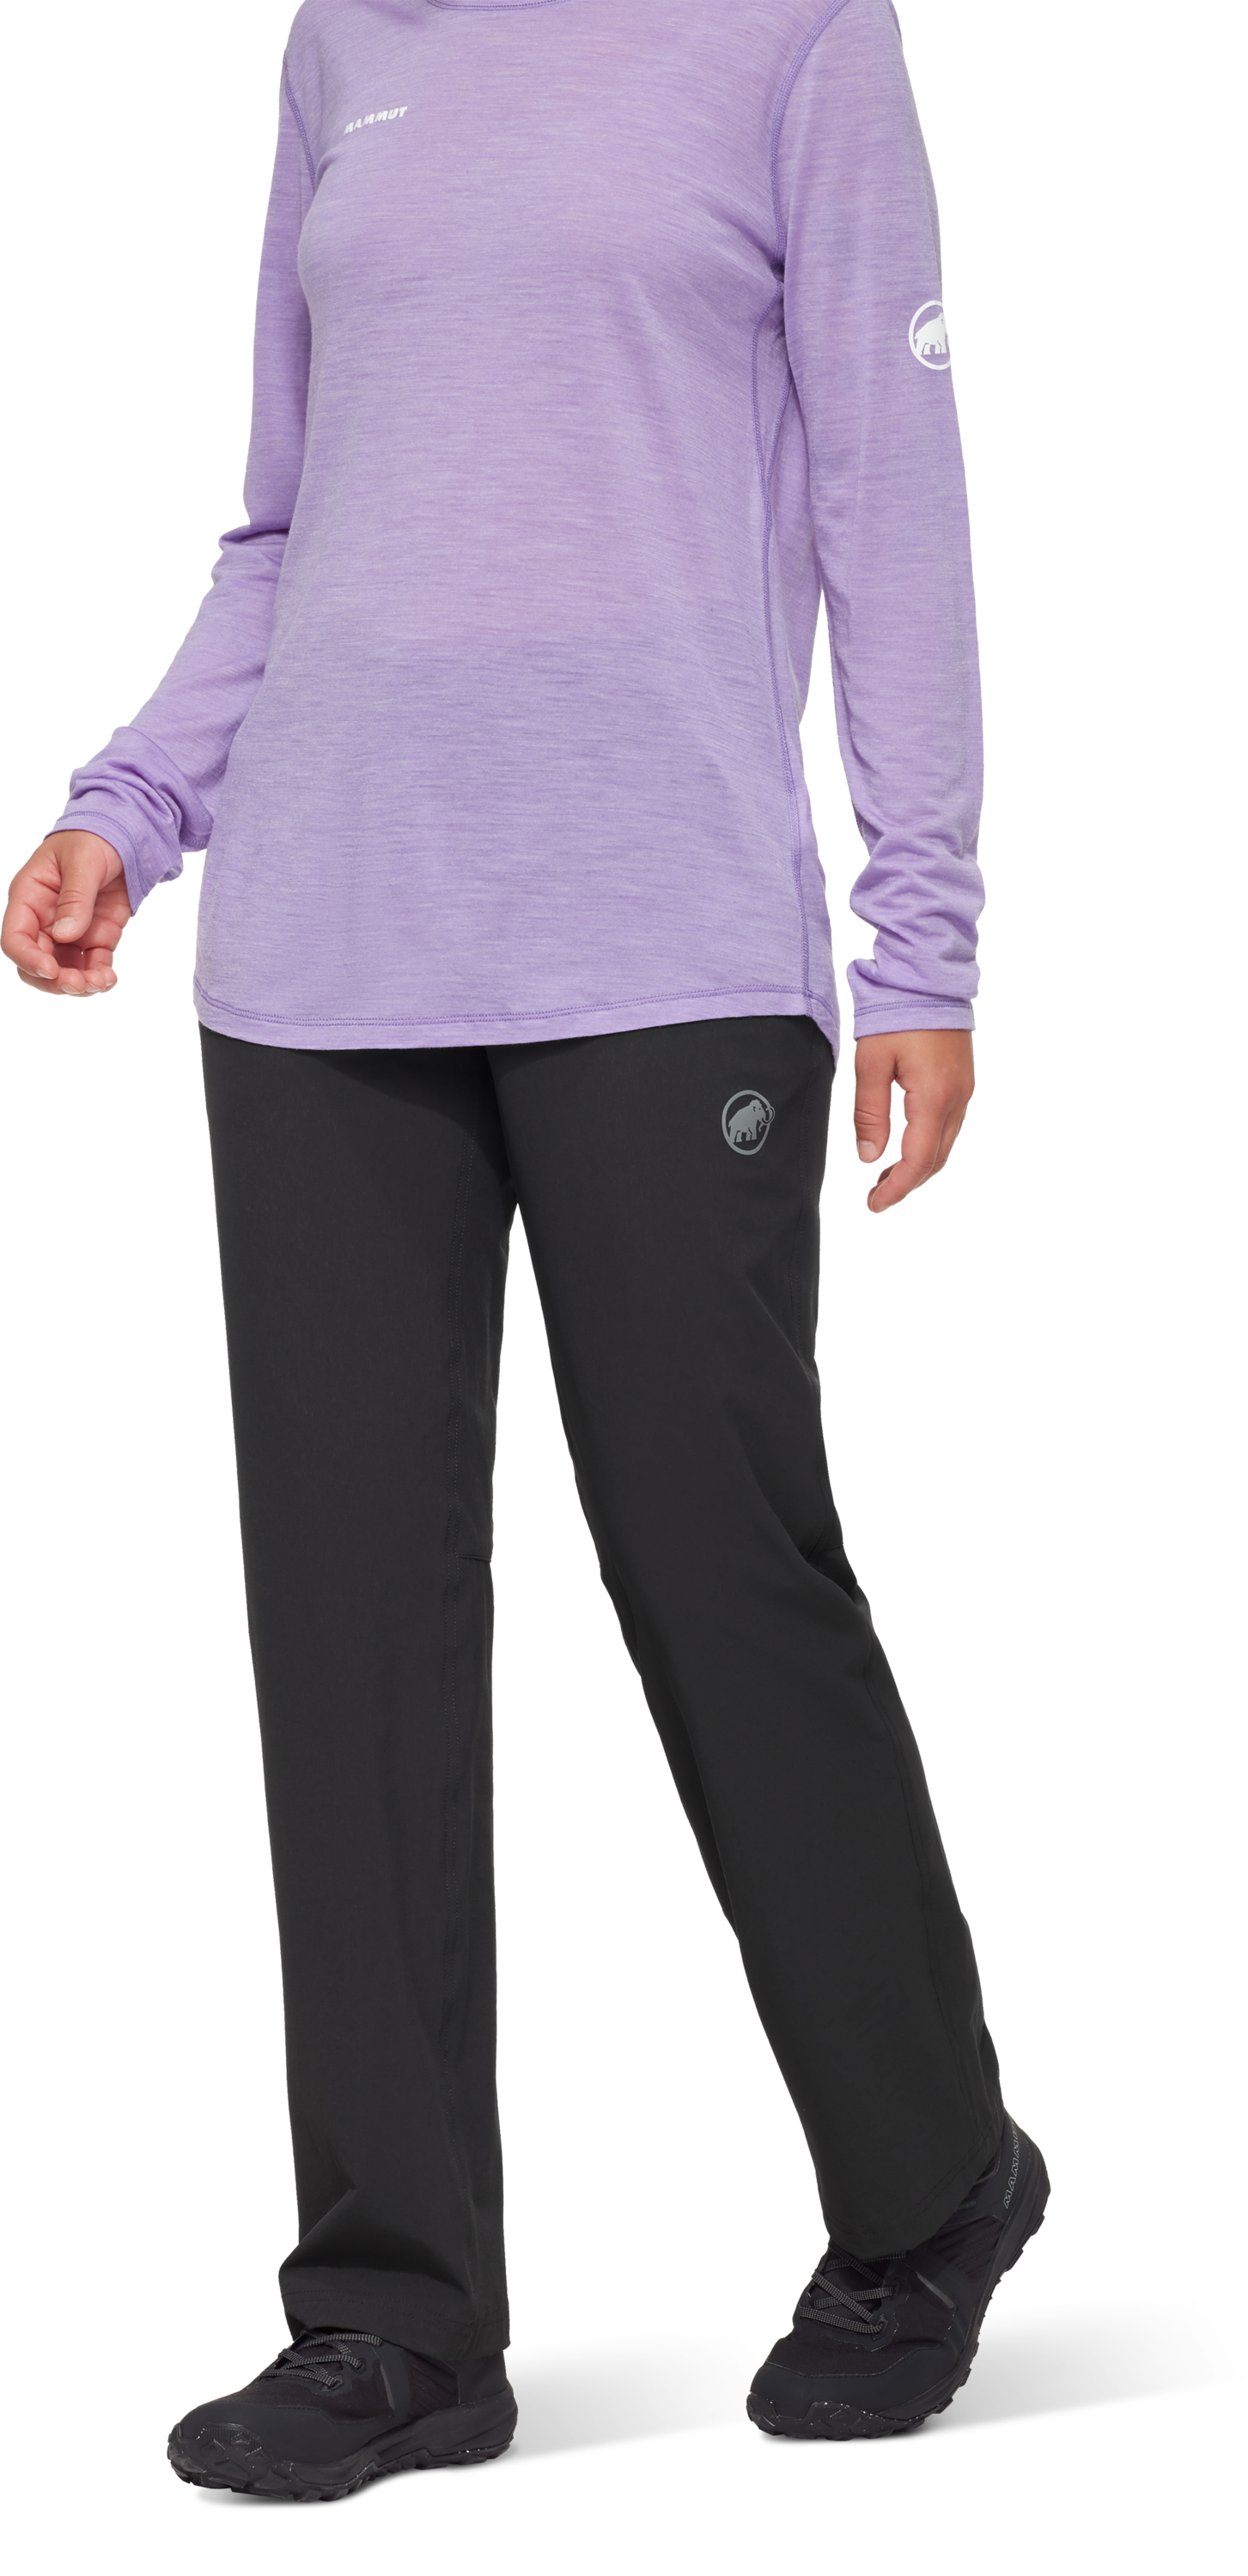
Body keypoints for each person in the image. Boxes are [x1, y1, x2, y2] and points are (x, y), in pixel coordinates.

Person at [3, 0, 1050, 2497]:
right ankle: (396, 2320)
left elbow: (895, 490)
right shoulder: (343, 38)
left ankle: (934, 2186)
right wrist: (131, 806)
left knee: (713, 1554)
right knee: (345, 1618)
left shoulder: (801, 35)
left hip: (662, 939)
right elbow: (286, 521)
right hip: (322, 955)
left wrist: (921, 944)